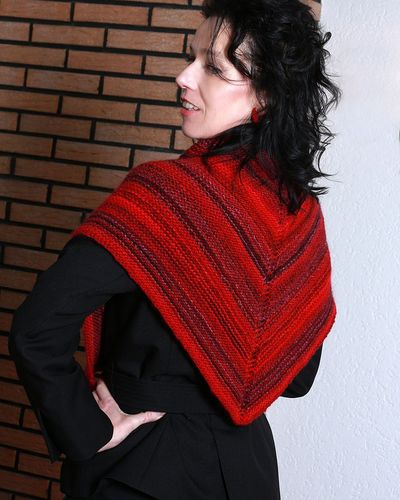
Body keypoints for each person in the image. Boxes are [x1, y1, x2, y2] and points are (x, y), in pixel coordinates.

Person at [8, 0, 341, 499]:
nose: (184, 77)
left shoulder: (163, 198)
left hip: (141, 467)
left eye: (213, 67)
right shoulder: (298, 214)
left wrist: (87, 430)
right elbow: (296, 378)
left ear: (268, 92)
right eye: (191, 57)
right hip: (244, 472)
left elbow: (36, 329)